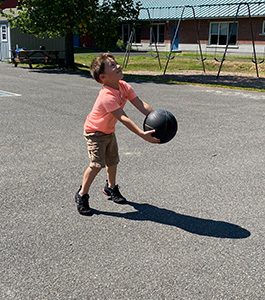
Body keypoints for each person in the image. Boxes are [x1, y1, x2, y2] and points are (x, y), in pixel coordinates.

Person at [74, 52, 159, 216]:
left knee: (112, 161)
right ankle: (81, 194)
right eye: (112, 65)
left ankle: (110, 188)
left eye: (116, 63)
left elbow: (140, 104)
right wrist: (143, 134)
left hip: (108, 131)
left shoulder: (124, 86)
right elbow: (123, 118)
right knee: (97, 164)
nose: (118, 66)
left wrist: (157, 117)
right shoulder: (107, 95)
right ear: (103, 77)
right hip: (95, 132)